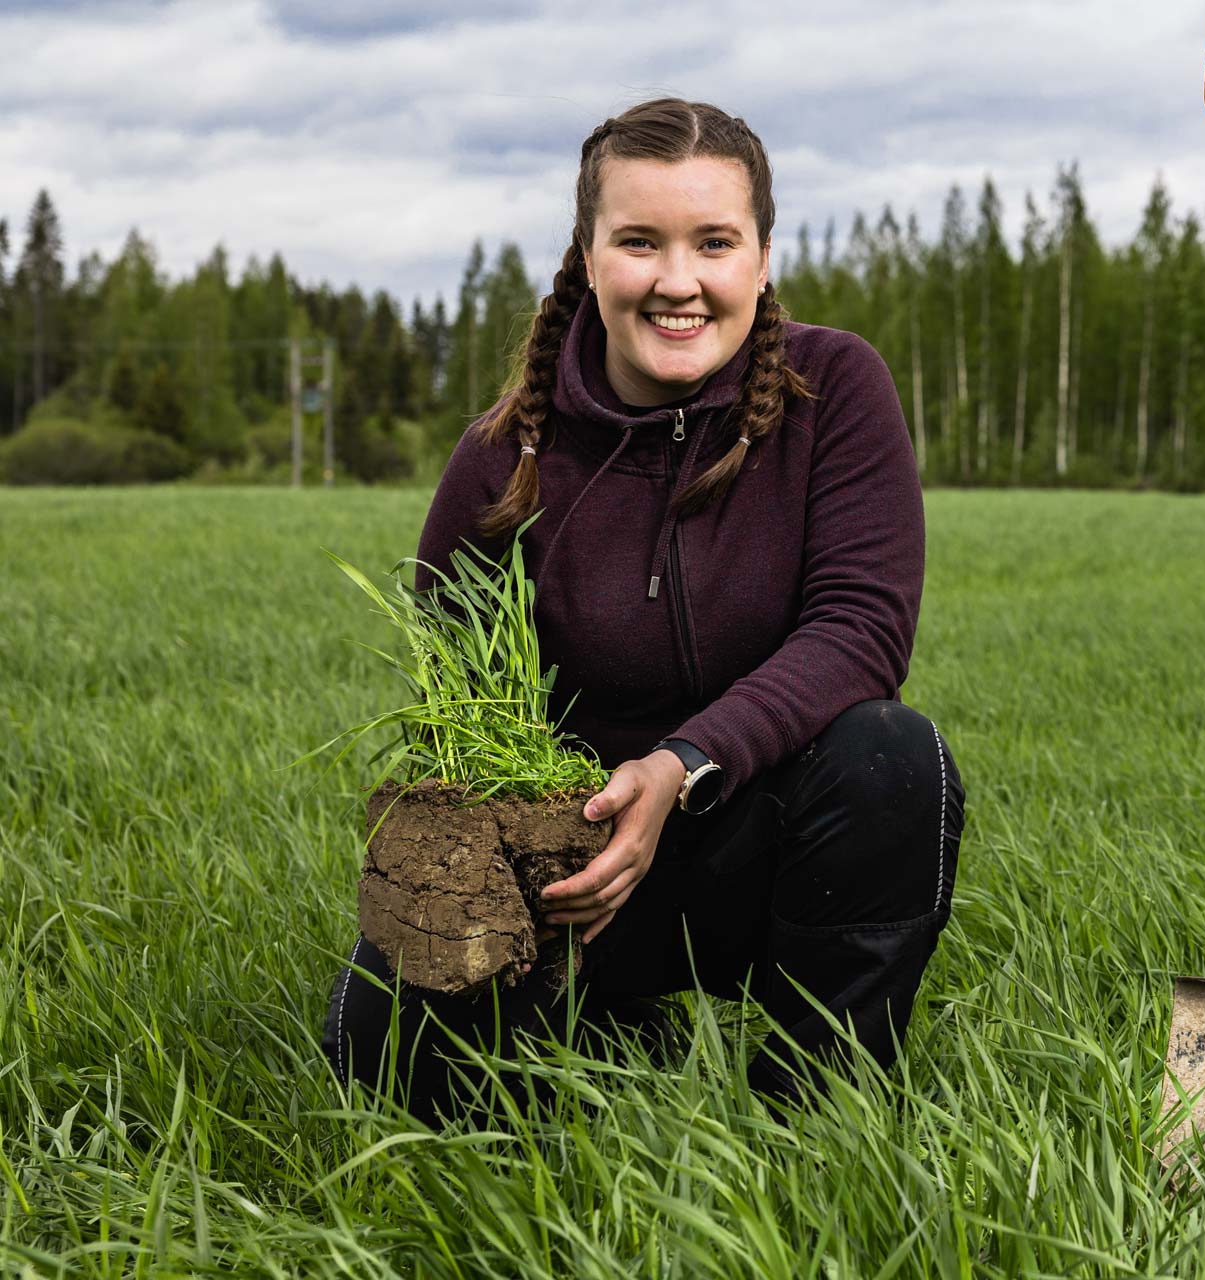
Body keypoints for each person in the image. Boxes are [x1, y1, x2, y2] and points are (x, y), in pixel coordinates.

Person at [321, 98, 964, 1121]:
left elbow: (862, 631)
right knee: (383, 1065)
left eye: (714, 241)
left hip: (755, 834)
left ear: (760, 255)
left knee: (892, 756)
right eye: (639, 241)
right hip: (572, 866)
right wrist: (542, 842)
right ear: (588, 253)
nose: (679, 281)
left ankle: (820, 1107)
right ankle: (604, 1016)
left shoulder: (834, 389)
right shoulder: (505, 455)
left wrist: (678, 768)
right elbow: (454, 689)